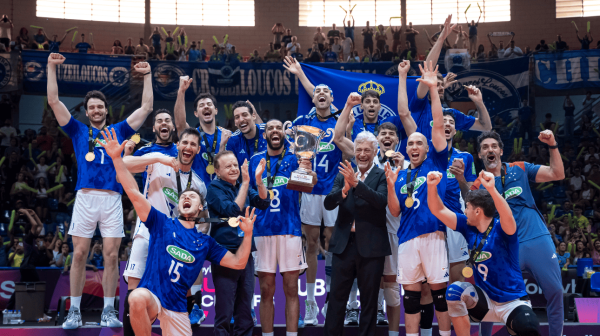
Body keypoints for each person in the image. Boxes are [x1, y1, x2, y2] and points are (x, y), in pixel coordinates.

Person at [99, 128, 255, 336]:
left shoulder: (204, 241)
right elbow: (132, 192)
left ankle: (192, 310)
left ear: (201, 208)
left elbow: (238, 262)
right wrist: (117, 159)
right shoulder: (161, 223)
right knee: (135, 297)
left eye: (192, 196)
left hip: (178, 308)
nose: (187, 197)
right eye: (183, 197)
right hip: (153, 298)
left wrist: (248, 234)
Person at [46, 53, 154, 330]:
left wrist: (148, 75)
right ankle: (74, 312)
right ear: (87, 111)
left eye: (100, 107)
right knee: (79, 254)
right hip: (85, 198)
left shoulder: (119, 130)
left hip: (112, 199)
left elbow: (146, 107)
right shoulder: (77, 130)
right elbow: (54, 102)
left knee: (110, 255)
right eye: (91, 107)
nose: (96, 111)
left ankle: (108, 310)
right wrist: (50, 68)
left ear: (106, 110)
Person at [282, 57, 355, 324]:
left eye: (326, 92)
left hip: (335, 191)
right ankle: (311, 303)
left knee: (334, 245)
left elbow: (349, 145)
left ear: (333, 99)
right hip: (310, 191)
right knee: (311, 244)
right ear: (313, 98)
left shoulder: (342, 119)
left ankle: (338, 302)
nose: (321, 94)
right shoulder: (303, 121)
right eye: (317, 92)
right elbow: (297, 157)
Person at [427, 170, 542, 336]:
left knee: (529, 327)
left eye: (467, 207)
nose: (464, 211)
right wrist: (431, 187)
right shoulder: (467, 226)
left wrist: (492, 189)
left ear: (477, 211)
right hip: (485, 302)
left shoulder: (502, 229)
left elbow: (507, 214)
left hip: (512, 302)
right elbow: (438, 210)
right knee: (454, 291)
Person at [473, 129, 565, 336]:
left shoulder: (520, 169)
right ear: (480, 154)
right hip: (505, 248)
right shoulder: (478, 186)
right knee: (491, 297)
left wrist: (552, 144)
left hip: (536, 239)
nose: (490, 150)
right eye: (485, 147)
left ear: (501, 151)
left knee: (556, 291)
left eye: (494, 146)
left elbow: (557, 173)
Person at [384, 61, 452, 336]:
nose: (413, 146)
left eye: (418, 143)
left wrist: (433, 90)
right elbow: (396, 210)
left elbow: (437, 126)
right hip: (407, 240)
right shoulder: (400, 174)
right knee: (410, 299)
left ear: (427, 148)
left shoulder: (437, 161)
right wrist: (390, 184)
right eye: (410, 143)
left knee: (439, 297)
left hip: (434, 235)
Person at [121, 128, 208, 336]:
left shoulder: (198, 184)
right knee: (134, 287)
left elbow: (200, 223)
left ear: (197, 150)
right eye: (185, 142)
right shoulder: (157, 160)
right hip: (148, 231)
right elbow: (124, 165)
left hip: (176, 240)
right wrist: (161, 157)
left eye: (193, 144)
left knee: (181, 290)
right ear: (178, 144)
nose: (188, 147)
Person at [250, 119, 317, 336]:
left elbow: (310, 185)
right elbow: (248, 193)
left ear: (284, 133)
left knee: (291, 289)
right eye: (270, 128)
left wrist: (308, 169)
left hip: (290, 230)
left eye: (278, 128)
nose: (275, 131)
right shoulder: (255, 160)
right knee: (266, 289)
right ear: (265, 135)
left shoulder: (296, 158)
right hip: (262, 230)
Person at [323, 128, 389, 336]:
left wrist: (357, 184)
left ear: (375, 152)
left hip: (371, 247)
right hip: (343, 245)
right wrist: (343, 191)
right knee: (336, 300)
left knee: (369, 301)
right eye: (358, 150)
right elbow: (328, 203)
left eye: (367, 150)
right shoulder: (344, 173)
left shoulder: (382, 174)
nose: (362, 154)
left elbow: (380, 202)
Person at [207, 150, 271, 336]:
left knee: (245, 310)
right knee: (225, 311)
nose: (234, 168)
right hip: (225, 253)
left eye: (235, 164)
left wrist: (258, 180)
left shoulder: (242, 186)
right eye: (228, 166)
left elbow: (264, 202)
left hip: (245, 252)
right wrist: (245, 183)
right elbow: (232, 210)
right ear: (217, 171)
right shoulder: (214, 188)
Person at [441, 110, 476, 284]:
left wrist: (461, 178)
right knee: (432, 281)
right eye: (443, 121)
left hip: (455, 220)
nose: (447, 124)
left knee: (457, 279)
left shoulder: (465, 157)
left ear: (455, 130)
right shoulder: (425, 156)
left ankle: (457, 311)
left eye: (451, 122)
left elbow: (469, 195)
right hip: (431, 223)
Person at [175, 77, 231, 186]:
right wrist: (181, 91)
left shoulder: (228, 136)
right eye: (201, 105)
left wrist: (223, 145)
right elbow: (180, 124)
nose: (206, 106)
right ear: (196, 113)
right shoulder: (192, 136)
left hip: (222, 192)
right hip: (196, 191)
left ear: (215, 110)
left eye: (209, 104)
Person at [349, 61, 416, 142]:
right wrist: (348, 105)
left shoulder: (390, 123)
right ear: (361, 105)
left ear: (380, 106)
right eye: (367, 101)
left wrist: (402, 75)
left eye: (375, 102)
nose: (371, 104)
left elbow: (404, 114)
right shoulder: (353, 124)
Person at [226, 101, 266, 166]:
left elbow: (288, 148)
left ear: (253, 116)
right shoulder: (233, 140)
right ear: (235, 122)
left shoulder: (268, 131)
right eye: (237, 117)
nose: (241, 119)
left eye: (245, 115)